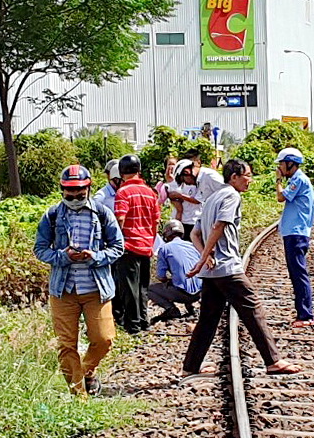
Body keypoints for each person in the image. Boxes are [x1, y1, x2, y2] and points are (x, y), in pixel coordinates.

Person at [181, 158, 302, 375]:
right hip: (227, 268)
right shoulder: (230, 195)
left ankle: (190, 367)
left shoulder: (210, 198)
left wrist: (204, 256)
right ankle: (273, 360)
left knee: (208, 318)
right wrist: (204, 257)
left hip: (213, 271)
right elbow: (220, 225)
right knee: (253, 309)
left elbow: (194, 233)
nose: (250, 180)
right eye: (247, 175)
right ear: (234, 177)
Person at [33, 164, 125, 397]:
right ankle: (78, 395)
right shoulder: (52, 216)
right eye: (69, 192)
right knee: (66, 344)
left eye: (79, 192)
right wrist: (63, 256)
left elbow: (118, 247)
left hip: (96, 289)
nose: (74, 196)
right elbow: (40, 249)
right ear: (62, 190)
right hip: (63, 291)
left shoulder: (103, 214)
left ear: (88, 188)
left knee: (104, 339)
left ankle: (86, 372)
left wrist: (97, 256)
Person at [111, 154, 160, 333]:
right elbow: (155, 222)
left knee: (129, 288)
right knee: (142, 287)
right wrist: (151, 242)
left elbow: (120, 219)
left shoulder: (123, 192)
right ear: (138, 170)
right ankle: (144, 320)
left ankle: (133, 325)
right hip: (146, 245)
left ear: (122, 172)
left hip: (129, 246)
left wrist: (115, 242)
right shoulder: (150, 192)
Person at [275, 147, 314, 325]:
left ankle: (305, 315)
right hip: (295, 232)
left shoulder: (298, 179)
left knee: (299, 274)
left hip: (296, 233)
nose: (280, 168)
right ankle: (303, 312)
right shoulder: (298, 179)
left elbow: (280, 197)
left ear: (290, 163)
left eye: (281, 164)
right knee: (296, 273)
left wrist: (278, 180)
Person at [149, 220, 203, 322]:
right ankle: (191, 308)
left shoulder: (164, 248)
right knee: (185, 278)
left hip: (182, 294)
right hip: (200, 293)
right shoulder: (192, 246)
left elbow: (161, 276)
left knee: (149, 289)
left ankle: (171, 309)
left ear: (166, 235)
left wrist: (168, 280)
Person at [169, 158, 223, 232]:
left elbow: (228, 191)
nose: (186, 184)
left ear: (187, 172)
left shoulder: (209, 176)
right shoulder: (199, 181)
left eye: (184, 181)